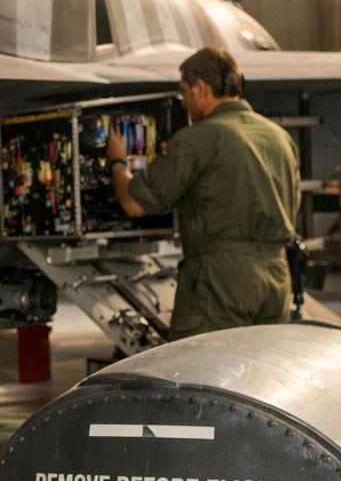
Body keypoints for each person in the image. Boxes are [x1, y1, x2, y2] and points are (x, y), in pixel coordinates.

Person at [108, 47, 298, 339]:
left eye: (184, 92)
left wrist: (118, 163)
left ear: (201, 89)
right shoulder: (279, 137)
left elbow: (134, 203)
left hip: (222, 281)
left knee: (198, 374)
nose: (183, 103)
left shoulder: (202, 137)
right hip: (276, 277)